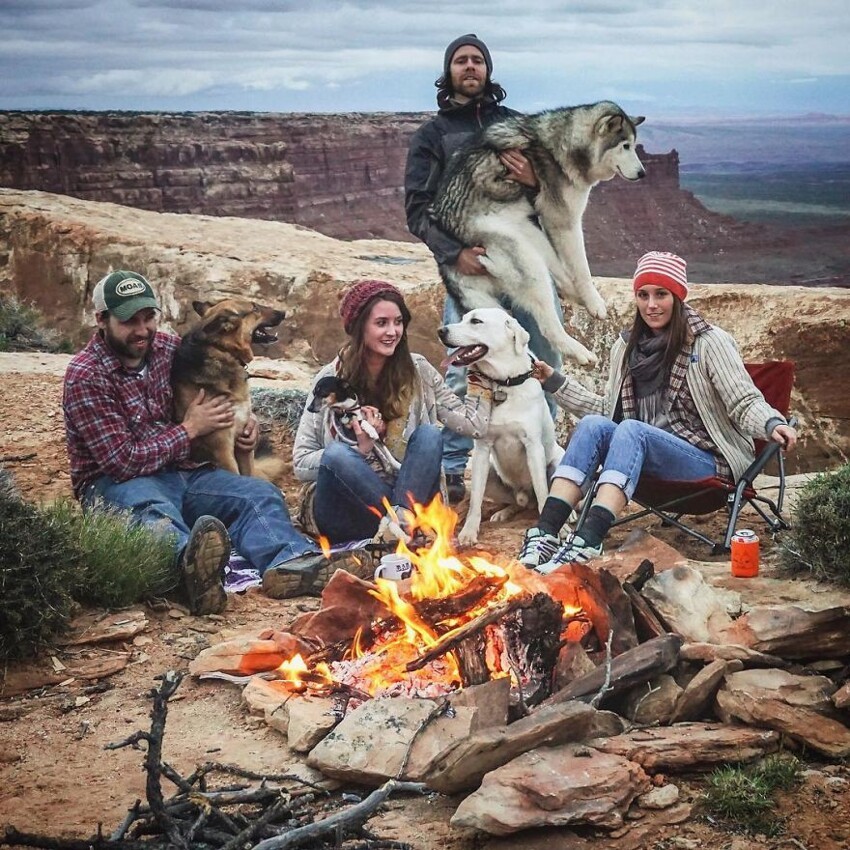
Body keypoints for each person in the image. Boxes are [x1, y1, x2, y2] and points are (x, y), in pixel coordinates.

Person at [63, 270, 362, 610]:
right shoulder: (86, 375)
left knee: (257, 494)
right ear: (102, 320)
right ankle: (190, 574)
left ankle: (290, 563)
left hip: (185, 473)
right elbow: (122, 461)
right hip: (119, 483)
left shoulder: (166, 347)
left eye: (149, 318)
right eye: (130, 321)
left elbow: (215, 375)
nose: (143, 330)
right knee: (153, 512)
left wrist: (241, 431)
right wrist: (189, 429)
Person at [517, 251, 798, 573]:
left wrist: (772, 422)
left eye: (661, 294)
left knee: (632, 429)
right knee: (595, 425)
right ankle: (545, 533)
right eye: (643, 294)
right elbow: (608, 412)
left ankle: (588, 539)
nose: (651, 305)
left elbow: (743, 400)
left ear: (678, 296)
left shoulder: (709, 343)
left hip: (708, 463)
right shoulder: (626, 348)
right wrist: (555, 382)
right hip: (641, 457)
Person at [404, 33, 563, 504]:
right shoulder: (432, 136)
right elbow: (417, 209)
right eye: (461, 60)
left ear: (488, 70)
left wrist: (535, 179)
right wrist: (456, 254)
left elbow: (557, 200)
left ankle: (547, 465)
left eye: (477, 60)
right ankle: (457, 469)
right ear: (449, 70)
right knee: (461, 371)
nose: (469, 67)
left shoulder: (518, 127)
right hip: (471, 276)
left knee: (545, 362)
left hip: (525, 268)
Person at [293, 279, 494, 542]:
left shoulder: (418, 370)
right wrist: (360, 450)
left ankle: (397, 525)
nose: (392, 331)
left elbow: (473, 426)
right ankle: (398, 525)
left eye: (398, 322)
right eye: (381, 323)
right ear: (359, 327)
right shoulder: (329, 380)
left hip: (408, 500)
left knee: (429, 436)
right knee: (337, 455)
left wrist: (481, 370)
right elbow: (301, 463)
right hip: (347, 511)